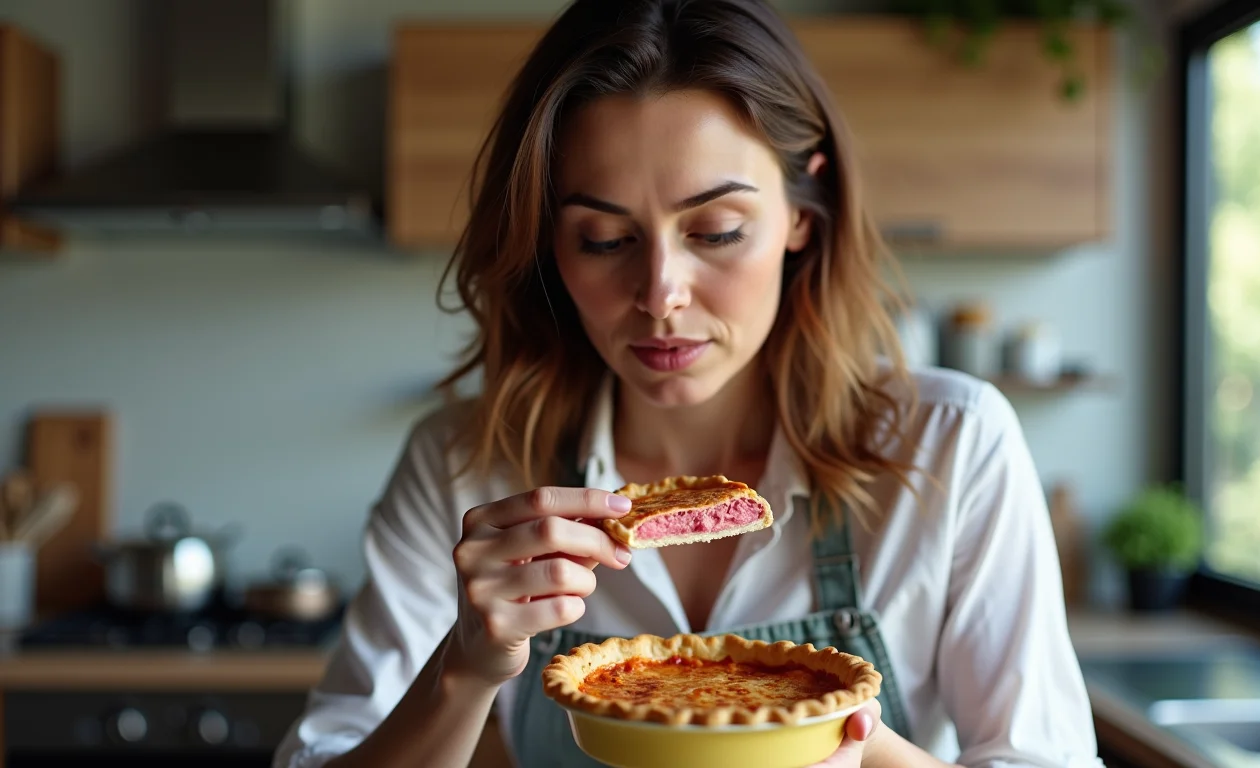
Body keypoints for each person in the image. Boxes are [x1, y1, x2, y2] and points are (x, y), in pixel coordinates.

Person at [274, 0, 1103, 766]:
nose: (661, 293)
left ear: (800, 217)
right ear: (547, 249)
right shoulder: (466, 465)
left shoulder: (951, 445)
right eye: (603, 239)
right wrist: (463, 668)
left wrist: (852, 745)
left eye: (716, 230)